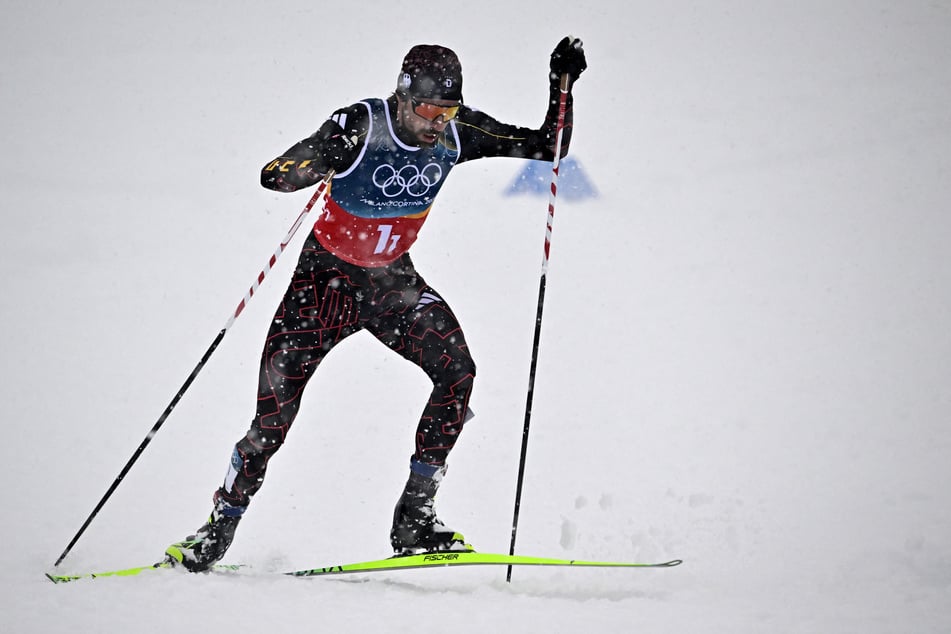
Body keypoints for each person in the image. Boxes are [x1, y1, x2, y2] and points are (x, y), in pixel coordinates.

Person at [165, 37, 587, 572]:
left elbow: (548, 146)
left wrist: (562, 85)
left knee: (458, 373)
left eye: (447, 111)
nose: (438, 123)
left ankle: (413, 520)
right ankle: (215, 532)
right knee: (271, 422)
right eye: (429, 110)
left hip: (392, 287)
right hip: (320, 289)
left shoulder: (459, 133)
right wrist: (315, 161)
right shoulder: (359, 127)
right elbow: (275, 174)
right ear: (403, 97)